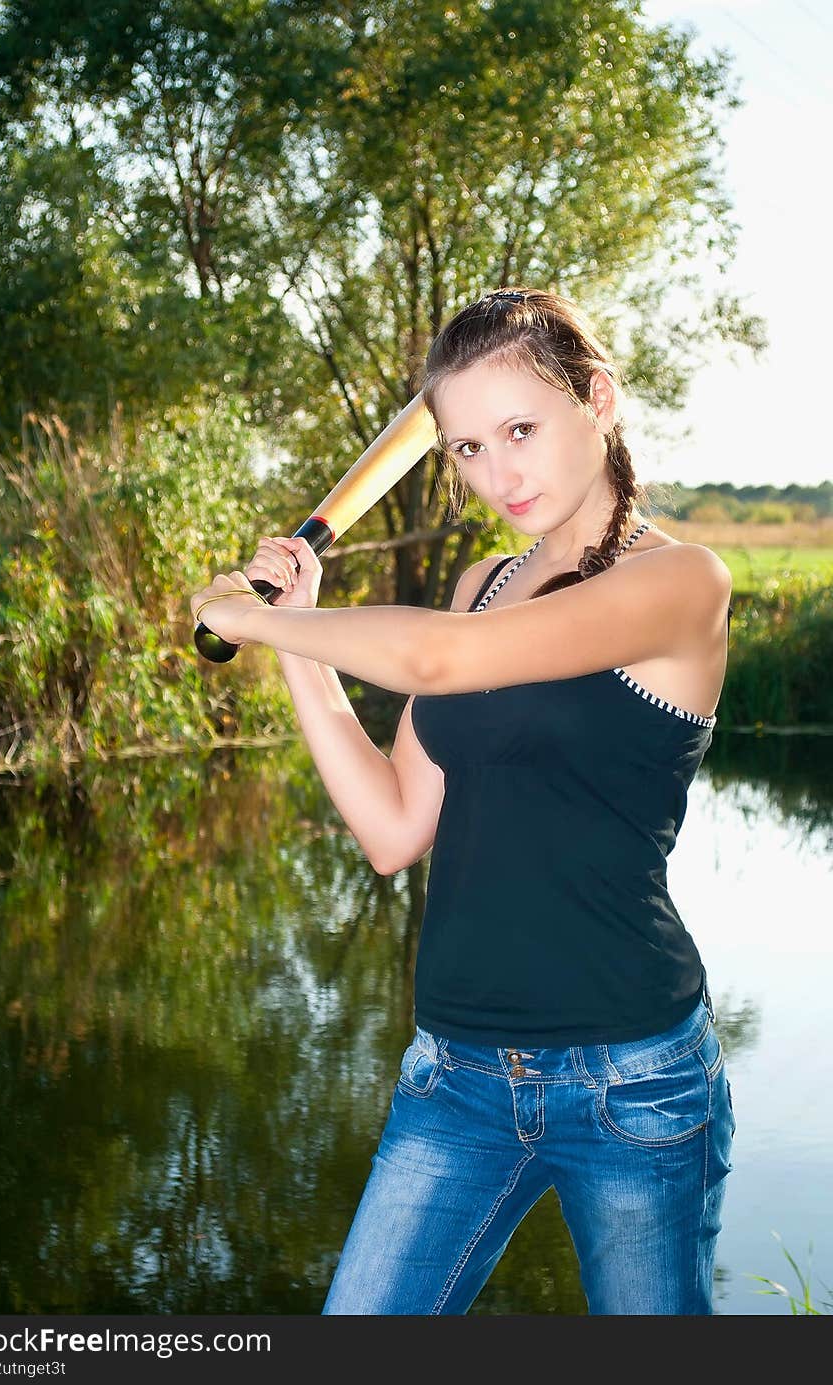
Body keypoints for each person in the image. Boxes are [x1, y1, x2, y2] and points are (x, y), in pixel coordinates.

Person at [190, 286, 737, 1315]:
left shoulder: (680, 583)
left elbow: (444, 662)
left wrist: (251, 623)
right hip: (456, 1074)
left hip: (633, 1079)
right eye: (467, 447)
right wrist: (299, 639)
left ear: (598, 401)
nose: (497, 472)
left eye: (520, 429)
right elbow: (395, 827)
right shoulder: (483, 577)